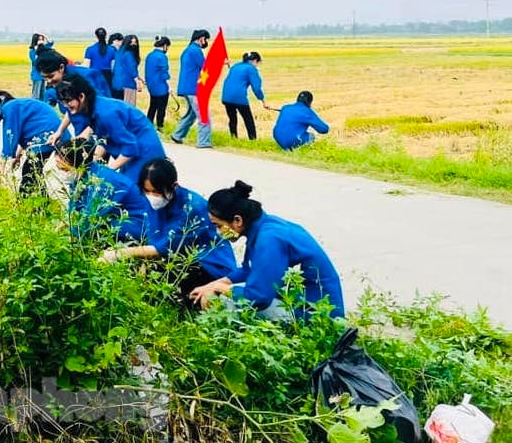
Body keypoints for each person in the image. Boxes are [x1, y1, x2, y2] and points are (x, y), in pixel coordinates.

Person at [189, 180, 345, 320]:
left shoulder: (269, 240)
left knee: (222, 301)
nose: (218, 232)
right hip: (305, 302)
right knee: (221, 293)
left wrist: (218, 289)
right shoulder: (264, 227)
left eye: (218, 225)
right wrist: (212, 285)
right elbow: (248, 269)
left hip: (314, 314)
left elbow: (258, 297)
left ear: (237, 220)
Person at [102, 159, 236, 304]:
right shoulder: (155, 202)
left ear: (174, 186)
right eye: (147, 191)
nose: (151, 196)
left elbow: (165, 247)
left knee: (161, 277)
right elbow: (153, 237)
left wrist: (119, 253)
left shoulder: (192, 207)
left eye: (157, 192)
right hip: (178, 256)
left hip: (209, 265)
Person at [56, 74, 166, 183]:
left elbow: (130, 147)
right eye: (63, 102)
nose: (66, 106)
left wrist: (107, 172)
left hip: (144, 150)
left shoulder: (106, 113)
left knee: (132, 187)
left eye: (68, 101)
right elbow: (104, 140)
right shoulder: (89, 109)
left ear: (81, 96)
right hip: (131, 148)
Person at [56, 138, 149, 245]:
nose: (61, 173)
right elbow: (75, 207)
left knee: (96, 229)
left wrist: (65, 242)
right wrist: (62, 225)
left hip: (136, 223)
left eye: (65, 169)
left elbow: (88, 219)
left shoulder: (103, 182)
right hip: (115, 216)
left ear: (79, 165)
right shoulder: (81, 175)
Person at [0, 91, 69, 198]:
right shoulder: (11, 106)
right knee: (34, 172)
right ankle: (41, 203)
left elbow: (9, 139)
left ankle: (28, 204)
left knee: (29, 172)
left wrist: (0, 170)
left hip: (48, 135)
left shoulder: (9, 108)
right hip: (47, 134)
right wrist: (18, 155)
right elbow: (20, 134)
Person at [172, 29, 212, 148]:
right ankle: (203, 142)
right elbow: (206, 67)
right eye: (205, 39)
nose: (205, 42)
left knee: (191, 114)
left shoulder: (187, 50)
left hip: (186, 88)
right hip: (194, 88)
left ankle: (177, 135)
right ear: (201, 38)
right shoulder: (196, 50)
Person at [221, 51, 267, 140]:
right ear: (254, 61)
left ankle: (233, 139)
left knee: (232, 119)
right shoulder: (251, 69)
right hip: (239, 98)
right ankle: (253, 140)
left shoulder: (235, 66)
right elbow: (256, 88)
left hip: (226, 97)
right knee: (248, 119)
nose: (257, 65)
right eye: (257, 62)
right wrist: (263, 101)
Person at [144, 36, 172, 130]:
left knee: (152, 106)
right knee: (161, 108)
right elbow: (164, 73)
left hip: (151, 86)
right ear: (164, 45)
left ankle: (148, 125)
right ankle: (160, 126)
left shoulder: (150, 55)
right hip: (161, 87)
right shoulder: (162, 57)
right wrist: (170, 87)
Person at [112, 35, 143, 106]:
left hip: (117, 83)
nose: (134, 45)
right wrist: (137, 82)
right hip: (128, 83)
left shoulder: (119, 52)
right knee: (129, 105)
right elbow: (131, 68)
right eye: (132, 43)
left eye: (135, 43)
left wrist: (140, 78)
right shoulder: (129, 54)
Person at [84, 27, 117, 91]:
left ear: (96, 36)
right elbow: (113, 67)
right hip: (108, 76)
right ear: (106, 35)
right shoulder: (112, 49)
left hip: (94, 74)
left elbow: (86, 66)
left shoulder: (90, 49)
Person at [28, 33, 52, 101]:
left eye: (42, 39)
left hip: (43, 75)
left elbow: (50, 43)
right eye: (39, 39)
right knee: (36, 95)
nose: (41, 41)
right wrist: (37, 50)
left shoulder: (44, 49)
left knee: (42, 95)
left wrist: (45, 36)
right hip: (36, 75)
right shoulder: (32, 51)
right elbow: (35, 61)